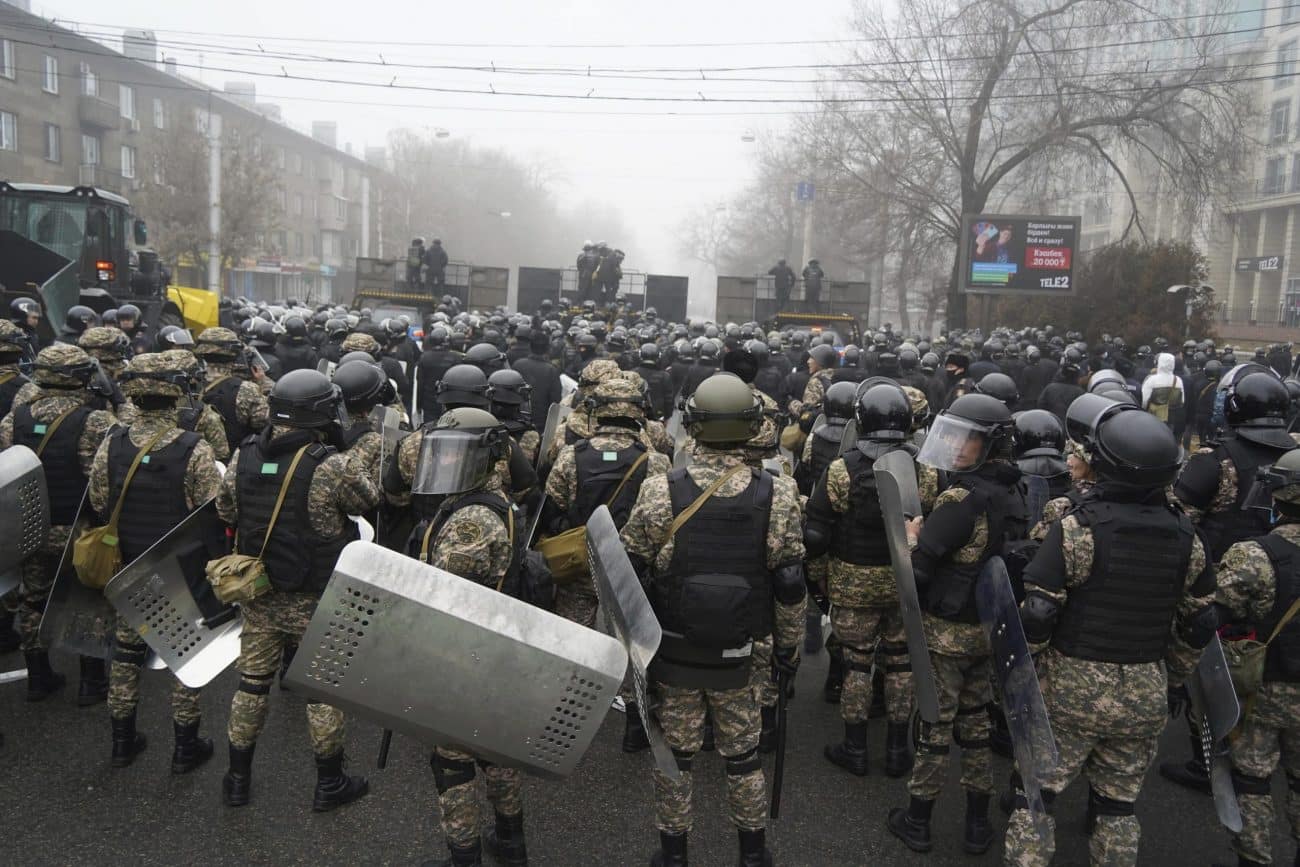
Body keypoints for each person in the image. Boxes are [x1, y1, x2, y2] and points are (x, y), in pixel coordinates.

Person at [1005, 395, 1215, 867]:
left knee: (1036, 798)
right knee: (1119, 806)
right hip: (1144, 689)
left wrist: (1029, 671)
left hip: (1070, 688)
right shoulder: (1188, 538)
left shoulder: (1078, 529)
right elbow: (1200, 622)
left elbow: (1038, 613)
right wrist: (1174, 677)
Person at [621, 372, 806, 867]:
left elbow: (630, 570)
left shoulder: (661, 490)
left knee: (675, 758)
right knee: (743, 758)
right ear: (752, 426)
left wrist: (631, 652)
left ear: (694, 425)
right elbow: (790, 583)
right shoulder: (780, 494)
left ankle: (674, 855)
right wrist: (789, 649)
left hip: (676, 650)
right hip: (745, 653)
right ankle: (752, 854)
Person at [217, 369, 378, 810]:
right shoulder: (330, 464)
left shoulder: (244, 454)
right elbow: (369, 501)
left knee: (251, 686)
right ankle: (329, 784)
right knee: (320, 691)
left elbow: (224, 506)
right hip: (315, 599)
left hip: (260, 595)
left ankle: (236, 780)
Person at [887, 393, 1026, 856]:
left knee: (935, 728)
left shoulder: (961, 498)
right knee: (977, 729)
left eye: (965, 438)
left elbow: (921, 569)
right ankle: (976, 826)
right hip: (988, 631)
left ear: (991, 445)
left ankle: (919, 820)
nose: (953, 444)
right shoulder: (1014, 490)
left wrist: (911, 539)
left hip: (946, 635)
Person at [87, 351, 221, 772]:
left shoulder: (112, 442)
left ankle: (122, 742)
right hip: (181, 572)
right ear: (175, 394)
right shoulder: (193, 447)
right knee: (185, 654)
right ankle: (185, 747)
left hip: (129, 568)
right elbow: (214, 509)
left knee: (126, 653)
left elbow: (97, 501)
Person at [805, 383, 937, 780]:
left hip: (852, 582)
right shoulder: (926, 471)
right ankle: (899, 750)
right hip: (906, 585)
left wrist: (817, 582)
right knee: (901, 665)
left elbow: (816, 535)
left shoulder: (843, 468)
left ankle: (856, 747)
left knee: (857, 665)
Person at [0, 344, 118, 702]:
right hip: (78, 529)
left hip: (31, 526)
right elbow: (106, 478)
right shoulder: (96, 421)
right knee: (89, 598)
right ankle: (91, 682)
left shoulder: (15, 417)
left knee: (33, 599)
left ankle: (38, 676)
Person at [1213, 447, 1300, 867]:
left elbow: (1219, 612)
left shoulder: (1255, 553)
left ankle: (1255, 860)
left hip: (1267, 686)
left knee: (1253, 779)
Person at [194, 327, 270, 457]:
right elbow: (264, 423)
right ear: (234, 352)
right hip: (232, 463)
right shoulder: (246, 389)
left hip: (191, 460)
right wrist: (263, 383)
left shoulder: (189, 382)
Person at [510, 328, 562, 433]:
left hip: (516, 420)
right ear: (547, 348)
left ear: (530, 346)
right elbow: (555, 401)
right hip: (540, 424)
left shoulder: (517, 364)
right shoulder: (551, 370)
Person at [1142, 351, 1185, 435]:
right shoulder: (1178, 380)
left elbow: (1144, 400)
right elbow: (1182, 401)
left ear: (1159, 362)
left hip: (1153, 416)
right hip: (1171, 417)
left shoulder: (1152, 379)